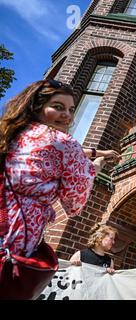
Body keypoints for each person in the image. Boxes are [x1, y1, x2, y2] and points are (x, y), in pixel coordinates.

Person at [0, 79, 122, 258]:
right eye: (58, 107)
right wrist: (96, 165)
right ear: (37, 107)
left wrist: (100, 151)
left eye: (71, 110)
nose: (67, 115)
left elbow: (57, 151)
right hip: (15, 234)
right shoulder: (64, 142)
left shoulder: (14, 135)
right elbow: (74, 204)